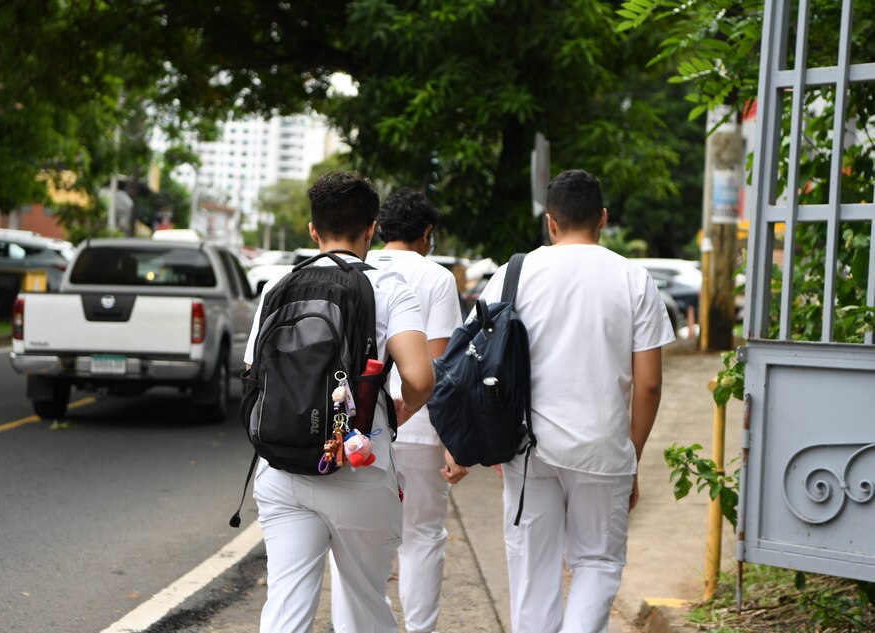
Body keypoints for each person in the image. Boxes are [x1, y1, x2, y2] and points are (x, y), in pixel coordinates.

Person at [477, 169, 674, 633]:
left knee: (531, 570)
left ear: (551, 222)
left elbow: (476, 359)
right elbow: (648, 385)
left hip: (527, 447)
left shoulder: (513, 274)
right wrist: (632, 456)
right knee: (597, 564)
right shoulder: (633, 278)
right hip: (602, 449)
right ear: (602, 219)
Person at [244, 171, 435, 633]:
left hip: (281, 468)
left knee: (286, 609)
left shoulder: (279, 288)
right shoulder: (388, 288)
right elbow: (420, 376)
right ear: (372, 228)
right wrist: (401, 411)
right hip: (359, 465)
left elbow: (253, 374)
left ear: (314, 230)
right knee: (366, 602)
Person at [330, 188, 468, 633]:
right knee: (422, 537)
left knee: (351, 542)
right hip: (420, 424)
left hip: (358, 425)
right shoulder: (437, 277)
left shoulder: (353, 269)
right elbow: (440, 363)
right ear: (426, 233)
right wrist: (454, 442)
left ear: (379, 228)